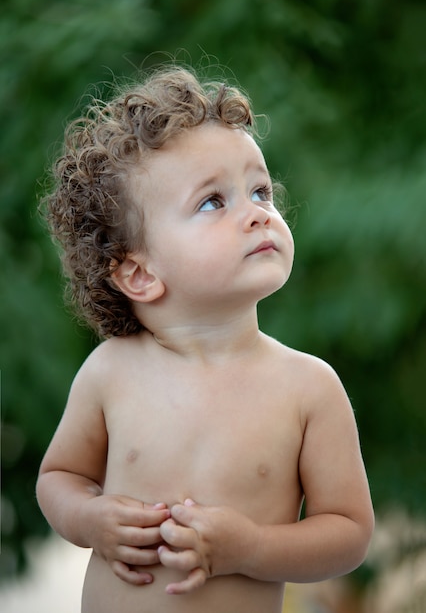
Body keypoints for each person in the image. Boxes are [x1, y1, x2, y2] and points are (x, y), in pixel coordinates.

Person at [36, 65, 374, 613]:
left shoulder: (309, 388)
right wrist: (87, 518)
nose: (258, 215)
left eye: (260, 191)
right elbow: (59, 477)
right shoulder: (110, 372)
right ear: (140, 274)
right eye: (214, 202)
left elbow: (350, 532)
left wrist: (253, 548)